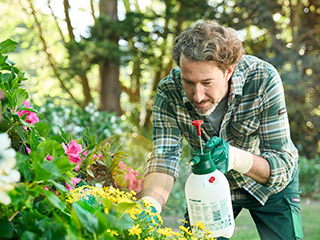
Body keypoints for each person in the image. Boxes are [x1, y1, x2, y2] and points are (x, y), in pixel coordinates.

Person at [139, 20, 303, 240]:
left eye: (207, 83)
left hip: (270, 186)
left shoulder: (263, 79)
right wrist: (149, 204)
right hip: (209, 187)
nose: (197, 96)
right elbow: (164, 159)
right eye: (188, 82)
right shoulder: (169, 91)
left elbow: (282, 165)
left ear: (228, 71)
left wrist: (235, 158)